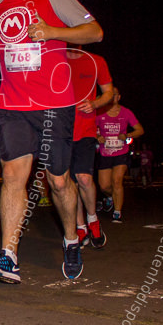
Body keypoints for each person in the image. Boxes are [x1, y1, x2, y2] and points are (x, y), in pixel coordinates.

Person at [0, 0, 103, 284]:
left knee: (59, 182)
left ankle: (71, 238)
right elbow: (12, 48)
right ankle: (9, 256)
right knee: (13, 176)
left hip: (53, 104)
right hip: (13, 104)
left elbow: (94, 32)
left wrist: (53, 32)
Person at [66, 46, 114, 249]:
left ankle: (93, 218)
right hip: (61, 131)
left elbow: (109, 93)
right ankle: (80, 226)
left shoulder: (96, 60)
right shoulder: (55, 58)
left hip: (85, 129)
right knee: (68, 183)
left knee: (84, 178)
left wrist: (95, 104)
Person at [95, 90, 144, 223]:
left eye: (115, 95)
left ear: (119, 97)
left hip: (121, 152)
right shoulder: (100, 113)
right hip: (105, 153)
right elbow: (89, 128)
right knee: (104, 186)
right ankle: (111, 197)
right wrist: (97, 137)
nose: (113, 97)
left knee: (117, 181)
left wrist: (127, 135)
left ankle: (117, 212)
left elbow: (140, 130)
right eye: (110, 95)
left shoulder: (126, 112)